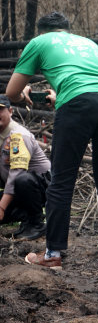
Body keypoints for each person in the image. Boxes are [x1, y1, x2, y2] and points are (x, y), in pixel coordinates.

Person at [8, 12, 98, 268]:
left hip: (78, 101)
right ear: (67, 30)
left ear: (42, 32)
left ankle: (53, 254)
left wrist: (25, 94)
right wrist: (59, 94)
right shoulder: (88, 43)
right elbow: (90, 82)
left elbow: (11, 92)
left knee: (61, 179)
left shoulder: (39, 42)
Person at [0, 95, 50, 241]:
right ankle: (25, 216)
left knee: (23, 180)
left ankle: (36, 223)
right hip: (18, 190)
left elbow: (16, 174)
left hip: (41, 187)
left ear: (10, 111)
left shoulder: (18, 135)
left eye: (0, 110)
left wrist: (2, 207)